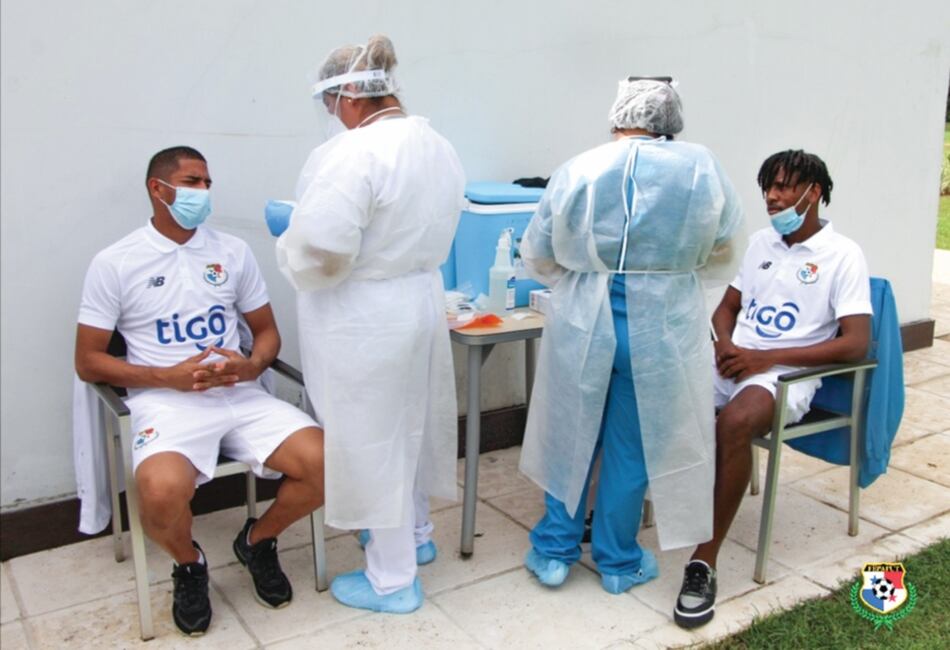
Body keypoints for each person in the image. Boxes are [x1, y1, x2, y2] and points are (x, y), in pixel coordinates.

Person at [74, 146, 325, 637]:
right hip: (167, 402)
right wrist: (164, 377)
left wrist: (251, 364)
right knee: (159, 493)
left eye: (207, 183)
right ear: (158, 189)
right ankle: (189, 565)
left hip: (239, 394)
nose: (203, 193)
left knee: (327, 462)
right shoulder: (116, 262)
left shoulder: (231, 252)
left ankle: (257, 540)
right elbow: (88, 361)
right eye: (192, 182)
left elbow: (267, 333)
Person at [518, 78, 743, 594]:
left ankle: (554, 552)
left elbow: (539, 251)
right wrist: (666, 274)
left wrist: (586, 278)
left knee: (569, 435)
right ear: (671, 120)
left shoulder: (581, 167)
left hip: (584, 321)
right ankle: (618, 563)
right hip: (660, 328)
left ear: (619, 115)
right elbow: (725, 248)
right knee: (633, 446)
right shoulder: (700, 167)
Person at [274, 35, 465, 614]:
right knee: (406, 426)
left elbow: (324, 253)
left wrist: (290, 236)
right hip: (416, 300)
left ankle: (391, 579)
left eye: (333, 103)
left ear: (352, 92)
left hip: (363, 317)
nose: (332, 115)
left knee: (370, 441)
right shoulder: (435, 144)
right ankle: (415, 536)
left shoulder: (354, 152)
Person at [673, 150, 871, 629]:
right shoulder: (762, 243)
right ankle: (625, 518)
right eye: (768, 187)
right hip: (738, 357)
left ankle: (704, 561)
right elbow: (726, 308)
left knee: (735, 425)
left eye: (783, 187)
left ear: (814, 192)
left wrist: (764, 359)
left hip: (783, 373)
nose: (772, 197)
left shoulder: (843, 255)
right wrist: (726, 345)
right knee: (662, 396)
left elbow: (856, 342)